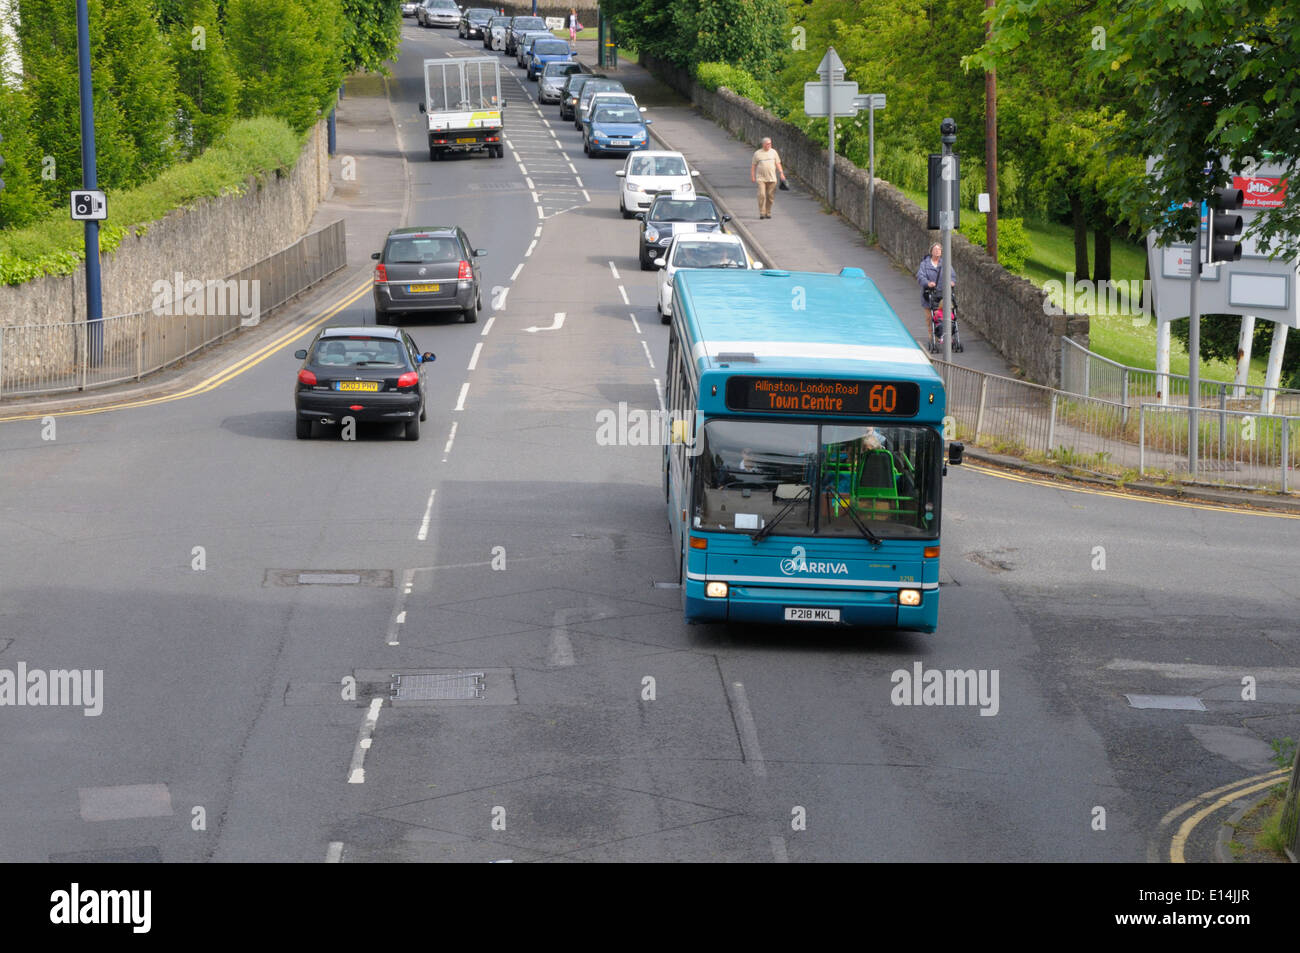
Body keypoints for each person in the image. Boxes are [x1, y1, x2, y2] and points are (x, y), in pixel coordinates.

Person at [750, 137, 787, 219]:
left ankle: (768, 212)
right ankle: (762, 212)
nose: (769, 145)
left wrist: (781, 173)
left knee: (770, 196)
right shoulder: (757, 153)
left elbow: (778, 164)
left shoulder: (774, 152)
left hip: (772, 178)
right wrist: (752, 176)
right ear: (763, 144)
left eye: (770, 143)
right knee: (762, 195)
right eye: (767, 144)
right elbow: (753, 166)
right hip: (761, 178)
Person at [916, 243, 955, 307]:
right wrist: (928, 283)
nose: (937, 251)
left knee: (943, 315)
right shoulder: (924, 264)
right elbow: (920, 276)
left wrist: (952, 281)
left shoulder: (945, 263)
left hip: (943, 294)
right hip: (930, 294)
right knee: (929, 316)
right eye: (935, 249)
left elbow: (952, 274)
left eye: (939, 249)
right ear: (931, 251)